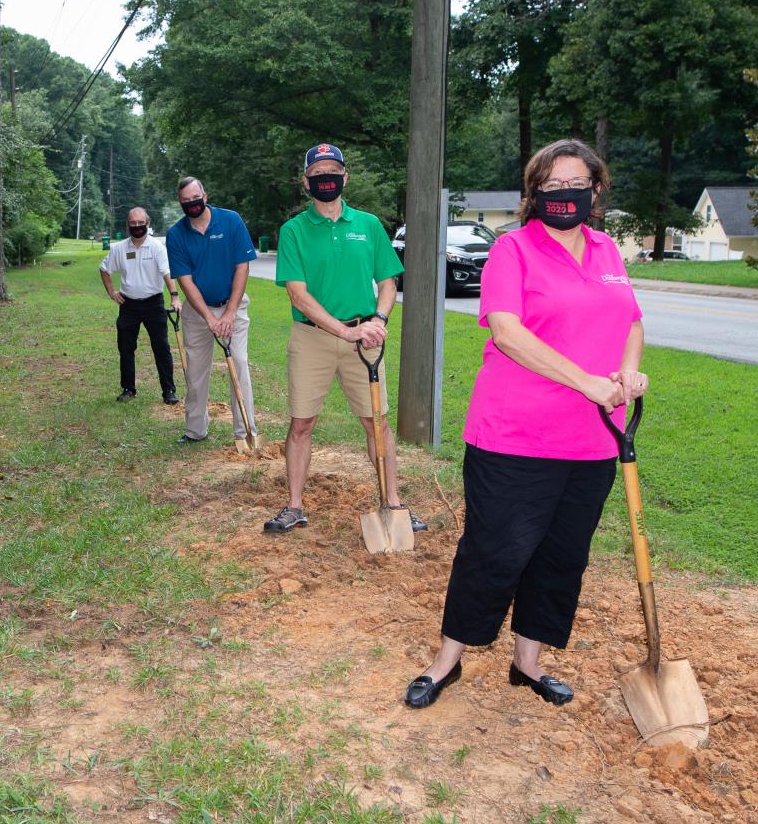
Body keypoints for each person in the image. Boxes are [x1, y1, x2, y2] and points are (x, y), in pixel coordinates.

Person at [403, 139, 647, 711]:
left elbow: (631, 321)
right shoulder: (513, 250)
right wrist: (587, 382)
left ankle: (528, 663)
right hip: (515, 437)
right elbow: (508, 333)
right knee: (495, 551)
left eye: (577, 184)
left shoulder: (609, 251)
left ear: (596, 189)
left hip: (592, 442)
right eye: (553, 186)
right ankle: (446, 663)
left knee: (562, 554)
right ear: (534, 194)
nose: (566, 195)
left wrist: (627, 374)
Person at [268, 143, 425, 535]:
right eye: (318, 172)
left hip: (365, 340)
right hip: (312, 339)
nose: (326, 178)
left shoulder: (369, 226)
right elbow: (298, 294)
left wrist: (379, 319)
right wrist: (344, 331)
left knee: (378, 424)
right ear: (306, 181)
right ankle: (294, 506)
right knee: (302, 423)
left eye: (332, 171)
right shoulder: (293, 231)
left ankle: (394, 503)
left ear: (345, 177)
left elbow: (388, 282)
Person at [165, 176, 256, 444]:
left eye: (196, 199)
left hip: (234, 308)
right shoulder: (176, 234)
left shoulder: (231, 221)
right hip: (197, 313)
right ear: (180, 204)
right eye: (186, 202)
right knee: (195, 372)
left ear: (205, 196)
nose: (192, 204)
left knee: (239, 365)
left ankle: (246, 432)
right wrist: (209, 317)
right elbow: (186, 282)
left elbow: (242, 267)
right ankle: (195, 430)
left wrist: (228, 313)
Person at [98, 206, 182, 405]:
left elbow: (167, 273)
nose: (137, 227)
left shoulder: (157, 248)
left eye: (140, 223)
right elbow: (104, 269)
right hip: (128, 305)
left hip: (154, 304)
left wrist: (175, 296)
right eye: (133, 223)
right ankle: (128, 388)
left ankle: (168, 390)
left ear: (148, 224)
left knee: (161, 347)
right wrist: (112, 292)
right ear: (128, 224)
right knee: (125, 347)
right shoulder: (119, 249)